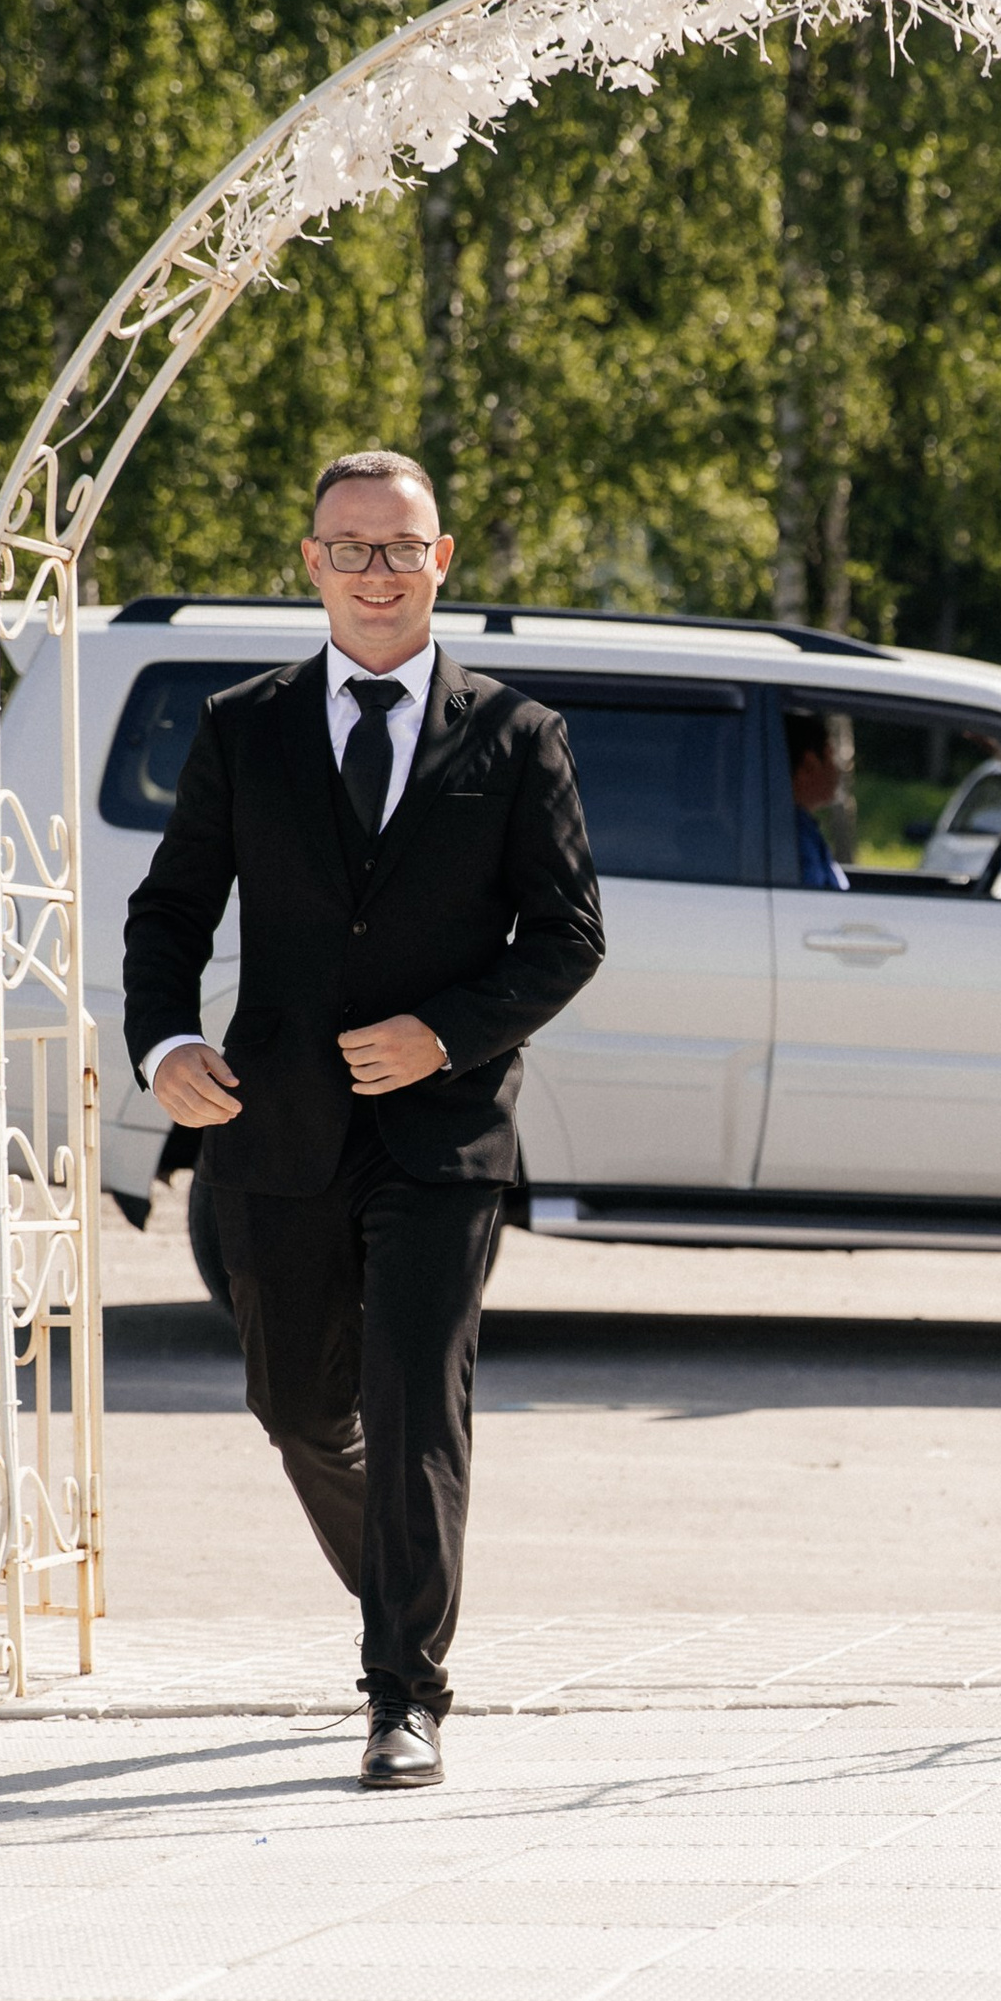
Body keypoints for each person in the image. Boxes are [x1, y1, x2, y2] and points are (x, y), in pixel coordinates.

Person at [126, 449, 604, 1789]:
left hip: (443, 1139)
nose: (377, 572)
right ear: (312, 561)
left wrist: (446, 1031)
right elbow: (169, 912)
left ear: (442, 561)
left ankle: (405, 1690)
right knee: (294, 1408)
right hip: (273, 1128)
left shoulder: (517, 738)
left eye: (401, 548)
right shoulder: (243, 727)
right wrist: (166, 1044)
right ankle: (404, 1575)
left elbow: (569, 937)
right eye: (352, 547)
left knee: (413, 1405)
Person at [784, 710, 850, 890]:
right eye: (831, 755)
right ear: (809, 764)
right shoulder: (792, 837)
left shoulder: (800, 828)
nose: (838, 769)